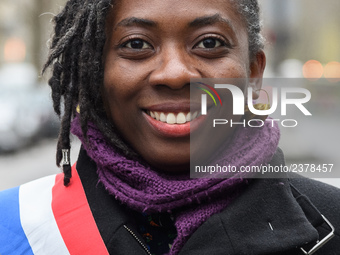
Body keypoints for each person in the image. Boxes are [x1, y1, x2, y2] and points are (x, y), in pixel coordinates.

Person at [1, 0, 339, 254]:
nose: (175, 74)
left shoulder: (331, 223)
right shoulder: (14, 229)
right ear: (94, 72)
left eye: (209, 43)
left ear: (253, 72)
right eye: (136, 44)